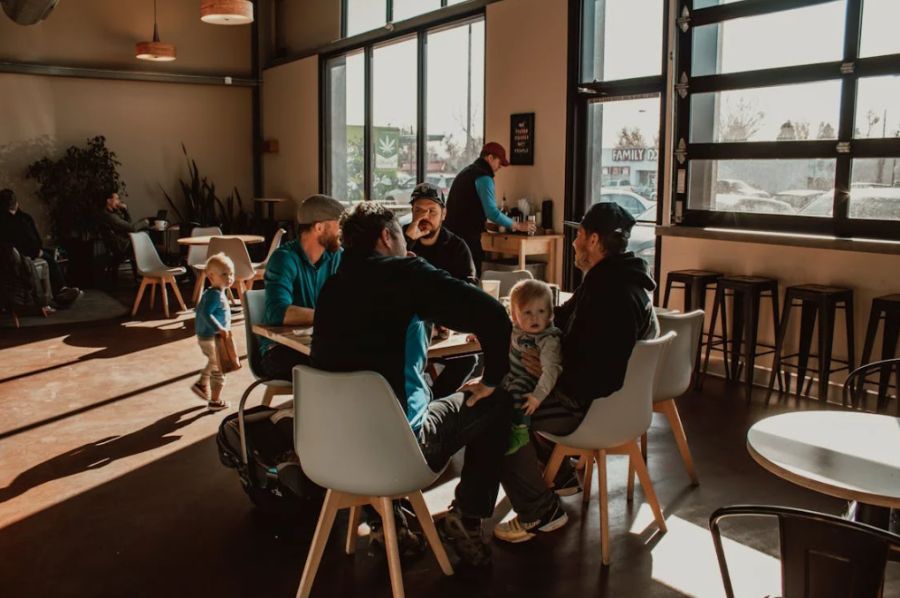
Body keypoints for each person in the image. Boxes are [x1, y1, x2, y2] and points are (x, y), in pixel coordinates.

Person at [311, 202, 512, 570]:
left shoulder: (332, 288)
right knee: (498, 402)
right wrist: (492, 379)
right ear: (386, 237)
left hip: (331, 450)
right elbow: (494, 315)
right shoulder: (406, 275)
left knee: (374, 408)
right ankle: (467, 518)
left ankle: (388, 522)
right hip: (399, 451)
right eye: (401, 236)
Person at [493, 202, 659, 544]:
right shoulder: (615, 279)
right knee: (514, 393)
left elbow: (601, 377)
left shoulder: (611, 295)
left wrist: (551, 375)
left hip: (594, 410)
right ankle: (562, 476)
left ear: (594, 240)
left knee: (499, 415)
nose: (574, 242)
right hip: (623, 407)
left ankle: (541, 512)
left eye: (579, 235)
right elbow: (563, 317)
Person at [405, 181, 479, 397]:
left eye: (432, 211)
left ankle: (433, 403)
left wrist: (447, 317)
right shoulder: (399, 239)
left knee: (468, 358)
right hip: (406, 326)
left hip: (443, 327)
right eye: (419, 210)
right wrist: (408, 240)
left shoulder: (456, 246)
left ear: (443, 214)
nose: (424, 217)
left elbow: (469, 289)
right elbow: (384, 274)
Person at [259, 194, 344, 380]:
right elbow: (278, 313)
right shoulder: (283, 259)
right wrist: (331, 317)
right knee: (333, 367)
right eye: (338, 225)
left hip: (318, 345)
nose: (341, 231)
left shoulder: (338, 257)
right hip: (279, 349)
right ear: (319, 227)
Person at [444, 142, 534, 275]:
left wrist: (484, 224)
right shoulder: (484, 177)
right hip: (467, 240)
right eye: (499, 163)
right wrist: (519, 226)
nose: (500, 167)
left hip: (448, 237)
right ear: (490, 158)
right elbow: (492, 212)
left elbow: (464, 208)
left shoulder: (466, 172)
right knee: (471, 277)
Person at [501, 279, 562, 455]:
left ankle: (520, 430)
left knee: (515, 390)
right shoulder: (517, 329)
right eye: (527, 312)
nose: (535, 318)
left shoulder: (548, 340)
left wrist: (537, 397)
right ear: (515, 316)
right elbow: (501, 332)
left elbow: (551, 371)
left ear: (550, 314)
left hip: (534, 381)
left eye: (541, 311)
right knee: (492, 389)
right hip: (513, 374)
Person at [0, 188, 81, 306]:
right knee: (50, 259)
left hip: (12, 254)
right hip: (23, 253)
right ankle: (60, 291)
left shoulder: (8, 219)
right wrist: (36, 251)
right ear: (16, 203)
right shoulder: (22, 219)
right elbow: (32, 240)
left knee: (48, 255)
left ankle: (60, 291)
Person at [192, 253, 234, 411]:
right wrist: (219, 328)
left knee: (213, 362)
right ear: (211, 276)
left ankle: (201, 383)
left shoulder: (214, 293)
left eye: (231, 274)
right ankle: (215, 401)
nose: (229, 278)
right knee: (219, 368)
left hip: (208, 337)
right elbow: (205, 313)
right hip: (212, 338)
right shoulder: (214, 296)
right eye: (224, 274)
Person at [98, 191, 150, 274]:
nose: (119, 202)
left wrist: (125, 211)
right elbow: (131, 228)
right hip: (120, 245)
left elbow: (128, 225)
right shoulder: (109, 216)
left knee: (143, 241)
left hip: (121, 243)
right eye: (117, 199)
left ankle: (144, 273)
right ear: (109, 201)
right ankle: (146, 272)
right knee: (145, 243)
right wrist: (144, 223)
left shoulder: (111, 213)